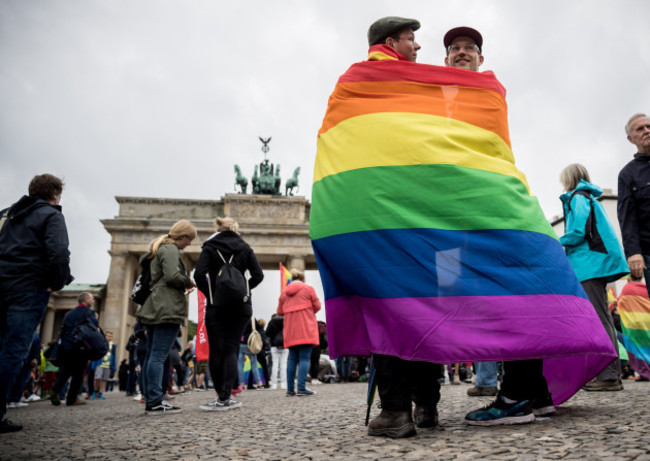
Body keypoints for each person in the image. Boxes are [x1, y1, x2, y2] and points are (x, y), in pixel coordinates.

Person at [0, 173, 74, 433]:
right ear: (55, 195)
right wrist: (58, 282)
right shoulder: (51, 215)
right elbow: (58, 253)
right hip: (27, 287)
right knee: (13, 350)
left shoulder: (5, 214)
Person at [559, 164, 628, 390]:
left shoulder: (578, 198)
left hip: (588, 265)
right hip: (597, 265)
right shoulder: (588, 197)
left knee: (599, 319)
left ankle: (608, 377)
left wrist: (557, 241)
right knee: (604, 319)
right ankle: (610, 374)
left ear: (568, 179)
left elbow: (578, 232)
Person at [194, 217, 264, 411]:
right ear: (236, 229)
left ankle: (219, 396)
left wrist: (211, 294)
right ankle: (227, 395)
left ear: (218, 228)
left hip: (217, 305)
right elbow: (258, 275)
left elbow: (198, 275)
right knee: (231, 348)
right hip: (241, 305)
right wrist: (245, 290)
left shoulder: (209, 246)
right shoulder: (245, 247)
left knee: (217, 349)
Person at [137, 219, 197, 415]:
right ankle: (155, 400)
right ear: (182, 236)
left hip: (154, 306)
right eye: (189, 239)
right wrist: (188, 281)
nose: (190, 244)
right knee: (158, 355)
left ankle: (150, 398)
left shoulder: (160, 247)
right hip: (166, 307)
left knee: (152, 355)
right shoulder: (171, 249)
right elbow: (172, 276)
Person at [617, 113, 650, 295]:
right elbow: (627, 217)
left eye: (649, 126)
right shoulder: (627, 175)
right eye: (640, 129)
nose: (647, 131)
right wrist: (633, 252)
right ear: (630, 139)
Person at [277, 268, 321, 397]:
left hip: (291, 330)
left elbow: (279, 312)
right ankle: (301, 388)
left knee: (291, 359)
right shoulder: (308, 289)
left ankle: (290, 390)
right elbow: (317, 306)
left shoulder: (284, 293)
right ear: (303, 279)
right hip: (306, 328)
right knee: (304, 358)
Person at [51, 292, 99, 406]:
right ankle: (71, 399)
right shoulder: (89, 312)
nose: (93, 301)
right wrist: (95, 319)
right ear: (86, 300)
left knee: (65, 371)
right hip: (80, 347)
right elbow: (93, 330)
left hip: (67, 347)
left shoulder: (69, 313)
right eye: (91, 299)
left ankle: (55, 390)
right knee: (78, 374)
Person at [266, 314, 288, 390]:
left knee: (275, 365)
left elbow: (267, 333)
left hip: (274, 345)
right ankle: (283, 384)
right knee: (284, 364)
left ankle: (274, 384)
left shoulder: (272, 321)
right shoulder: (286, 320)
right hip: (285, 345)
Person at [94, 331, 116, 399]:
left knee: (104, 379)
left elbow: (114, 356)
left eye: (111, 336)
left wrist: (113, 366)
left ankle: (101, 392)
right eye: (108, 336)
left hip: (108, 364)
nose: (110, 338)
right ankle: (95, 391)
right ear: (105, 336)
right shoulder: (101, 343)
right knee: (97, 378)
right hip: (100, 363)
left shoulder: (113, 345)